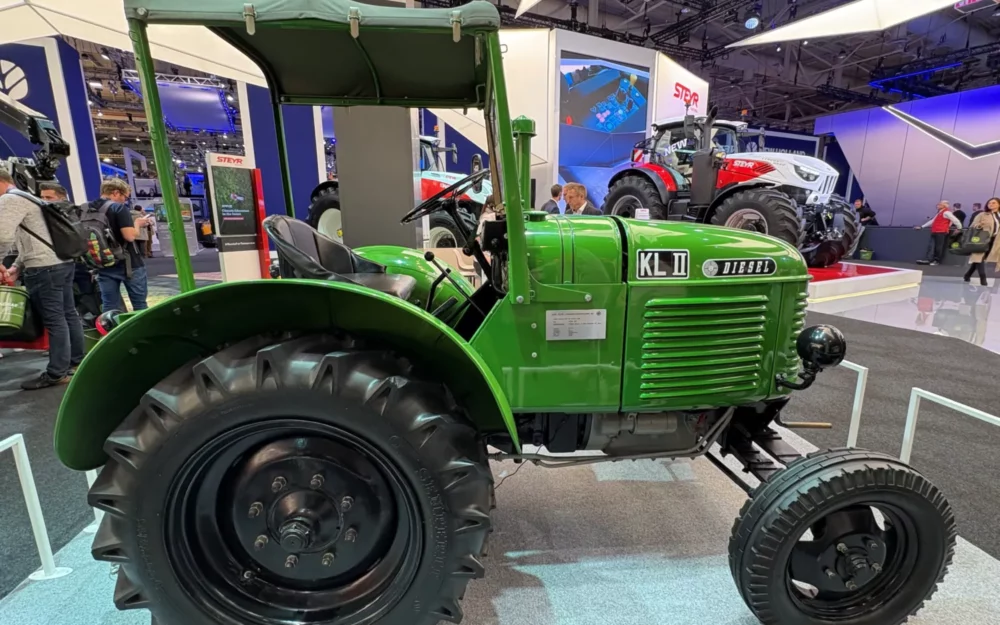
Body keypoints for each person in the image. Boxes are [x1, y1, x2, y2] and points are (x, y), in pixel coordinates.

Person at [0, 170, 85, 389]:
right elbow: (35, 239)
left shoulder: (10, 200)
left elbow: (3, 236)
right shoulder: (29, 198)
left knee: (55, 319)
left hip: (43, 268)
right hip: (61, 262)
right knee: (68, 314)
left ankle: (57, 373)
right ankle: (76, 362)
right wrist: (17, 266)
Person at [92, 178, 151, 312]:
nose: (125, 200)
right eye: (125, 197)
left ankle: (110, 325)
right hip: (129, 263)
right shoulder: (118, 208)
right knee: (140, 305)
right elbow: (129, 236)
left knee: (109, 306)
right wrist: (137, 224)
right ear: (116, 193)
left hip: (102, 263)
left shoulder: (87, 209)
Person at [963, 198, 1000, 286]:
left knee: (980, 259)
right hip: (982, 239)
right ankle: (983, 278)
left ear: (999, 204)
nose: (991, 204)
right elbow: (973, 226)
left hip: (995, 240)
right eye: (989, 203)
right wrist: (979, 225)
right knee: (978, 257)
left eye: (994, 203)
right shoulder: (982, 214)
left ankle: (967, 275)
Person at [915, 200, 962, 266]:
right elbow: (932, 221)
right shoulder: (940, 212)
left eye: (940, 204)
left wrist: (959, 228)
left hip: (941, 232)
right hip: (935, 231)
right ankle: (929, 259)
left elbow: (955, 220)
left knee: (938, 247)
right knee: (931, 246)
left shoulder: (947, 212)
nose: (937, 205)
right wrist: (922, 226)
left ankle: (936, 260)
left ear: (944, 205)